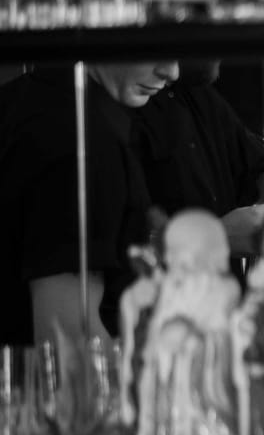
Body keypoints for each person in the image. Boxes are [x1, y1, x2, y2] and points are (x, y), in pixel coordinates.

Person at [0, 61, 176, 351]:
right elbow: (67, 336)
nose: (171, 72)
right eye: (154, 48)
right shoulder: (82, 143)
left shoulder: (24, 98)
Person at [132, 60, 264, 257]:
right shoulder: (130, 100)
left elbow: (259, 164)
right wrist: (216, 235)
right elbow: (126, 239)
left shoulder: (199, 93)